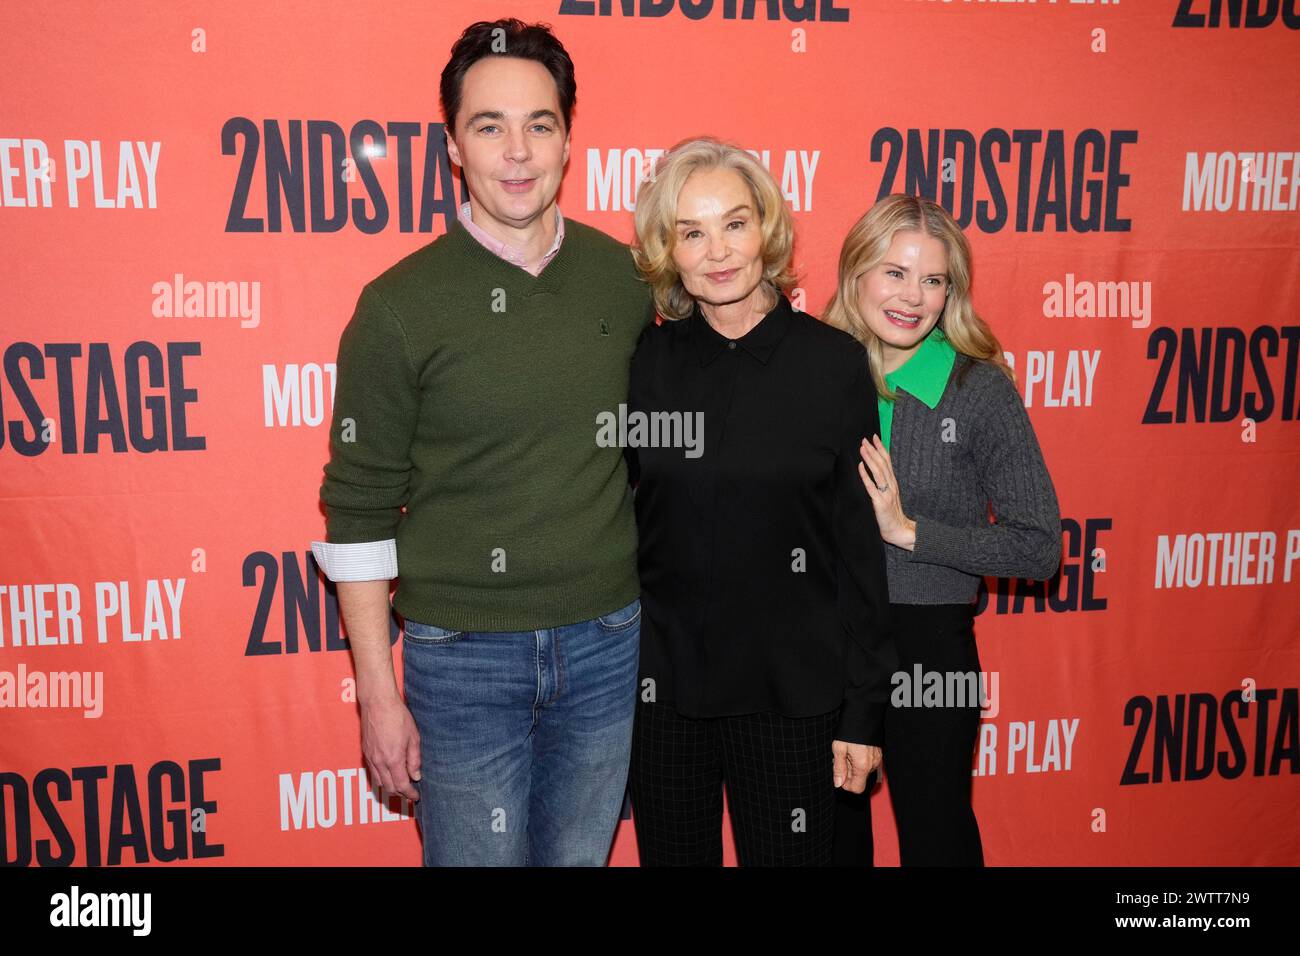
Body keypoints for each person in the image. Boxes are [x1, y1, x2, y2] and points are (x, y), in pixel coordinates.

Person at [310, 18, 656, 866]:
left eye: (539, 124)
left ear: (568, 139)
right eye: (489, 126)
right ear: (453, 147)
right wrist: (377, 698)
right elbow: (358, 512)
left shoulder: (629, 280)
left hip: (608, 643)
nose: (518, 152)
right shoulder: (398, 307)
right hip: (460, 660)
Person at [624, 137, 895, 866]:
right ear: (668, 251)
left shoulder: (833, 366)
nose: (717, 251)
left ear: (767, 230)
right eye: (692, 232)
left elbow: (859, 554)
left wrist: (863, 711)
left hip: (793, 701)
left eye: (735, 224)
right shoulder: (647, 364)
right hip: (663, 697)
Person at [826, 194, 1062, 867]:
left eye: (933, 279)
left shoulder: (978, 389)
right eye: (895, 272)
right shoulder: (815, 372)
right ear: (856, 273)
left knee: (938, 839)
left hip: (927, 643)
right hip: (823, 637)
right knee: (829, 841)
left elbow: (1040, 547)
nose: (913, 296)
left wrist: (910, 533)